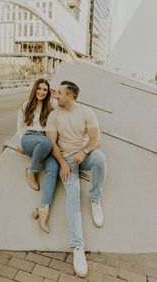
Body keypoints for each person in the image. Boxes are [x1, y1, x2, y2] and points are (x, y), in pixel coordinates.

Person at [46, 80, 107, 278]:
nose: (56, 95)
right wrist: (63, 163)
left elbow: (96, 140)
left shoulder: (86, 112)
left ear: (70, 95)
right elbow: (52, 143)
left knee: (99, 158)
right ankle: (77, 247)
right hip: (67, 160)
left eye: (60, 93)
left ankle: (95, 197)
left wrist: (84, 151)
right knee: (73, 195)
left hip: (83, 155)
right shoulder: (54, 115)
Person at [17, 79, 59, 233]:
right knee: (47, 142)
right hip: (29, 139)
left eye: (45, 90)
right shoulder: (26, 104)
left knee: (53, 168)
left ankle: (44, 209)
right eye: (39, 89)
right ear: (35, 89)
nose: (42, 92)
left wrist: (55, 95)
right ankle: (32, 171)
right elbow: (19, 126)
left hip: (44, 142)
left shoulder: (51, 105)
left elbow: (64, 104)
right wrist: (20, 143)